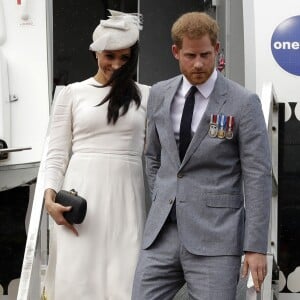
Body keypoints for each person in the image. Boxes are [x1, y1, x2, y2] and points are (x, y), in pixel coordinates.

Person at [132, 11, 271, 300]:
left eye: (206, 55)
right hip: (162, 233)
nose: (198, 64)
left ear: (217, 50)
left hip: (217, 238)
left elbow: (258, 176)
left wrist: (256, 247)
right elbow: (153, 156)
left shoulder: (243, 102)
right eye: (190, 55)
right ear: (176, 52)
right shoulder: (159, 93)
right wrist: (162, 194)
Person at [43, 10, 149, 300]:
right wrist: (49, 198)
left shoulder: (148, 95)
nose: (116, 64)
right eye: (110, 56)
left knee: (124, 279)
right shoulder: (71, 93)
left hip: (126, 199)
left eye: (125, 58)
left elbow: (156, 155)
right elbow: (55, 153)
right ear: (96, 53)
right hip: (81, 197)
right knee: (77, 279)